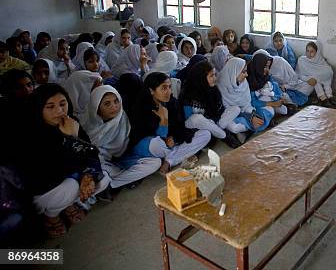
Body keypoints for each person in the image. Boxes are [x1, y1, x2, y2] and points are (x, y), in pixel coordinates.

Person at [24, 84, 110, 238]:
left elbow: (91, 154)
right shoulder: (32, 132)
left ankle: (67, 204)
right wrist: (71, 140)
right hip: (44, 189)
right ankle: (51, 216)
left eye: (63, 104)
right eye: (50, 106)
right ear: (39, 109)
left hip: (69, 177)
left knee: (102, 179)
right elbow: (51, 172)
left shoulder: (71, 122)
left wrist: (88, 176)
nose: (59, 111)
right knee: (71, 186)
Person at [128, 72, 211, 174]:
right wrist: (164, 119)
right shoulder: (141, 108)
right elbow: (144, 135)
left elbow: (180, 127)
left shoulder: (172, 103)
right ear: (151, 90)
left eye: (169, 87)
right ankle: (180, 155)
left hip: (169, 145)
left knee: (205, 134)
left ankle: (169, 161)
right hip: (149, 144)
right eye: (163, 88)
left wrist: (174, 138)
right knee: (156, 143)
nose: (168, 91)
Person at [83, 85, 160, 191]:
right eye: (107, 104)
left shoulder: (124, 118)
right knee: (102, 176)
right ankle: (120, 181)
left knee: (155, 163)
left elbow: (131, 144)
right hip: (101, 165)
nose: (114, 106)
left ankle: (112, 185)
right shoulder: (87, 125)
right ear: (96, 107)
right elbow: (88, 157)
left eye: (116, 101)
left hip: (122, 160)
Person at [180, 61, 243, 148]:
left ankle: (217, 129)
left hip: (212, 122)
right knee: (196, 118)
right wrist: (207, 121)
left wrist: (212, 121)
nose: (215, 78)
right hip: (196, 127)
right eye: (211, 76)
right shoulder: (188, 93)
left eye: (214, 74)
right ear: (201, 77)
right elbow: (187, 119)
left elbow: (218, 111)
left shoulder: (213, 90)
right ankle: (224, 136)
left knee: (236, 109)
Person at [216, 57, 272, 139]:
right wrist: (250, 118)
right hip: (230, 116)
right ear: (234, 72)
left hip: (243, 113)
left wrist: (253, 116)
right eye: (243, 72)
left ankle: (247, 130)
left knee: (269, 110)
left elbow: (247, 105)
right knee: (234, 127)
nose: (247, 75)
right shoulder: (221, 86)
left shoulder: (243, 83)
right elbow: (226, 111)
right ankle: (247, 129)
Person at [296, 41, 336, 107]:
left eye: (312, 51)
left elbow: (328, 71)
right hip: (306, 79)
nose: (309, 54)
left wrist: (318, 75)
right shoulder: (301, 60)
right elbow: (298, 74)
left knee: (320, 76)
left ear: (317, 52)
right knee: (315, 79)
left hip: (315, 78)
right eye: (307, 51)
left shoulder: (320, 60)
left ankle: (329, 96)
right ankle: (323, 98)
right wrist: (308, 79)